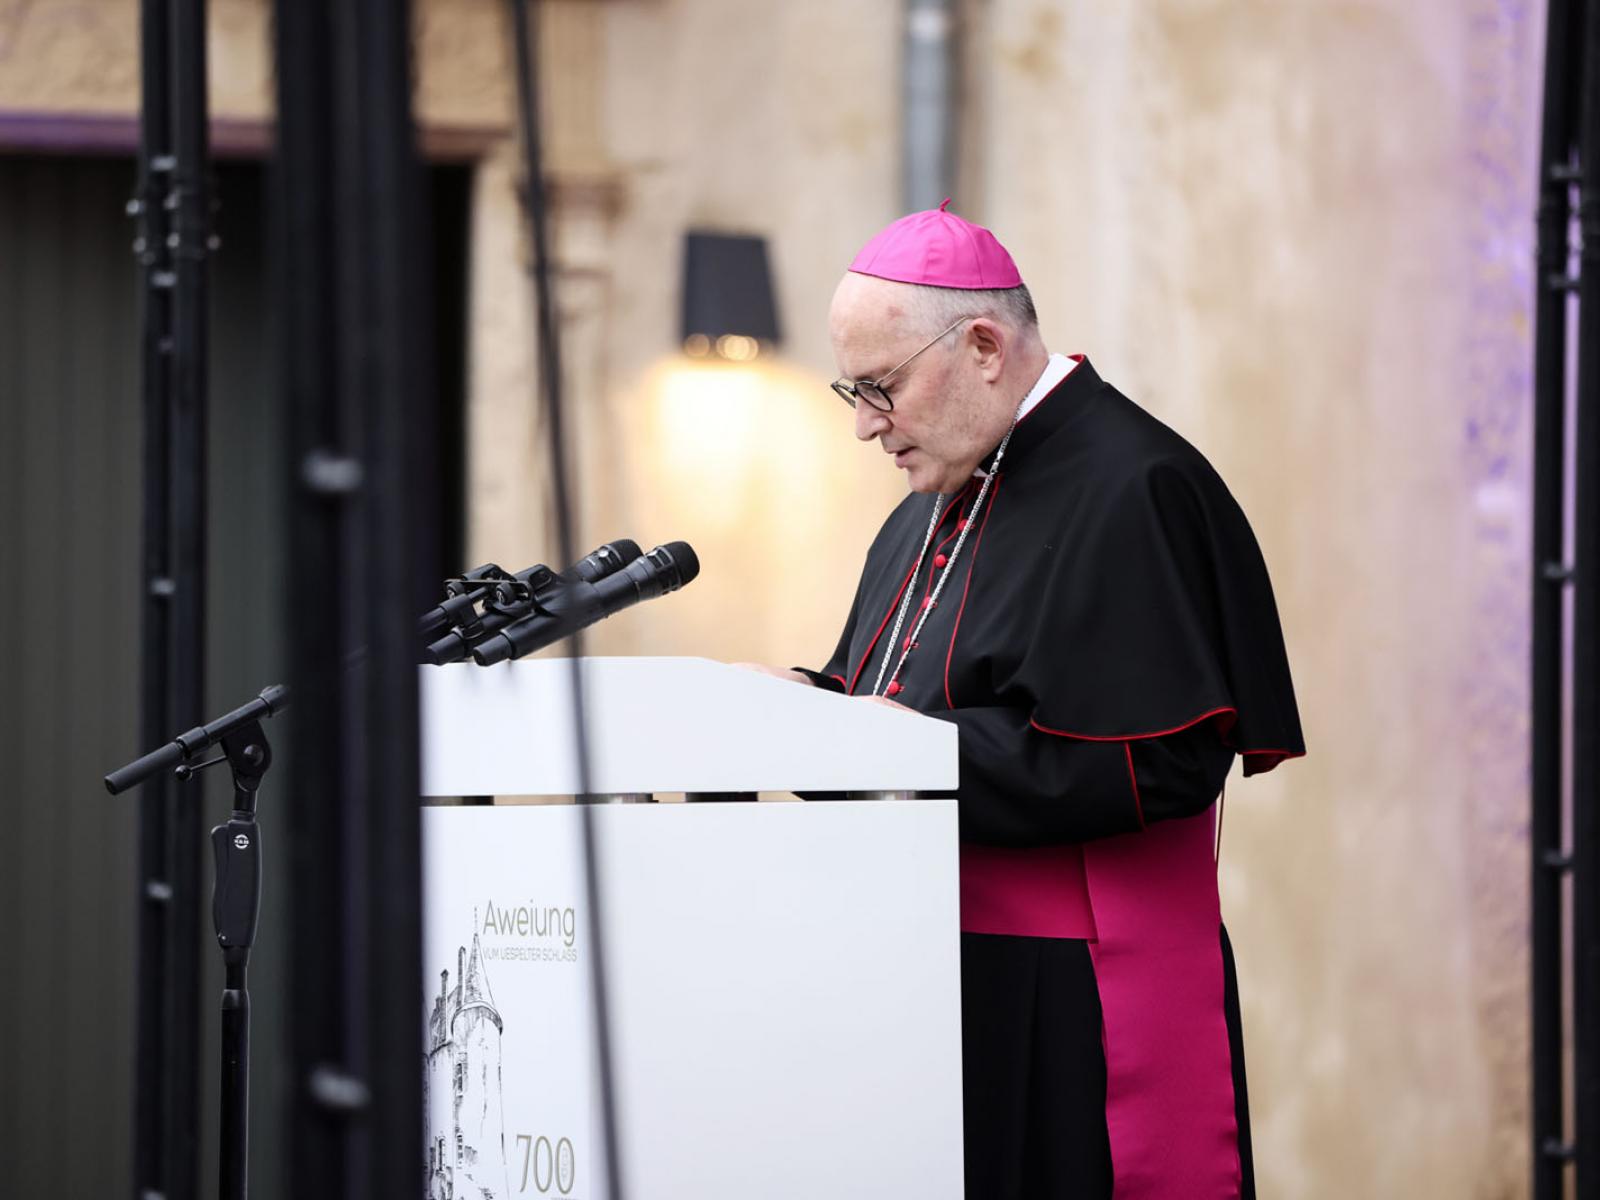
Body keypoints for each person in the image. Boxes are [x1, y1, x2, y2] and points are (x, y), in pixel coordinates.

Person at [743, 201, 1304, 1199]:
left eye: (880, 388)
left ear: (986, 346)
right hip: (926, 975)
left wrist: (906, 750)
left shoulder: (1135, 486)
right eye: (852, 391)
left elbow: (1157, 760)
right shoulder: (938, 495)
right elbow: (905, 688)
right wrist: (808, 716)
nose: (867, 425)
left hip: (1074, 994)